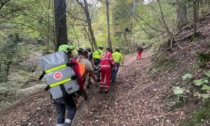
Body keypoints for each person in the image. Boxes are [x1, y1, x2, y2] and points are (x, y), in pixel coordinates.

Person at [52, 44, 79, 126]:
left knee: (60, 114)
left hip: (54, 93)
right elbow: (77, 77)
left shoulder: (52, 64)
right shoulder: (69, 64)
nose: (71, 54)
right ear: (67, 53)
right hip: (65, 92)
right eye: (70, 52)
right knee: (72, 109)